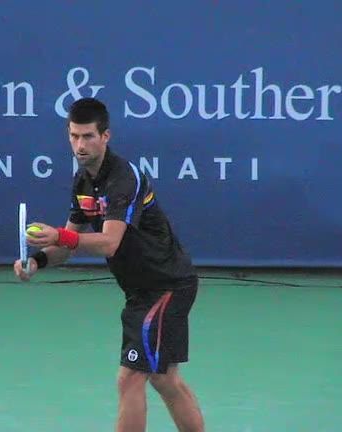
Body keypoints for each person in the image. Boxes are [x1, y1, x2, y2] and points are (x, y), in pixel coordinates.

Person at [13, 97, 205, 432]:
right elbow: (68, 246)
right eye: (74, 136)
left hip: (166, 285)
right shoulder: (82, 183)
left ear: (105, 136)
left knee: (130, 377)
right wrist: (37, 261)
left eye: (88, 136)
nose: (80, 145)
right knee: (164, 379)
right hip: (141, 290)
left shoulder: (123, 179)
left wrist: (59, 235)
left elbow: (109, 242)